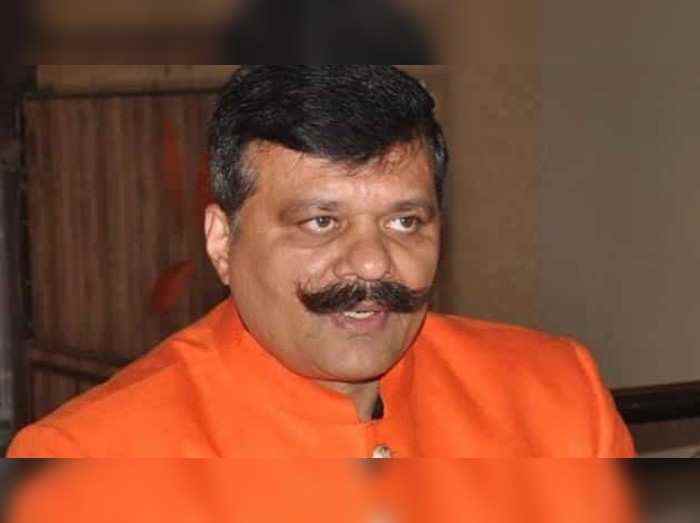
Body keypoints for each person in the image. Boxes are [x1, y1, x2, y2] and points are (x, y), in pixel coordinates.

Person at [6, 65, 634, 458]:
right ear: (222, 242)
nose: (372, 264)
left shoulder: (555, 397)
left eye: (404, 222)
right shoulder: (88, 460)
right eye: (320, 222)